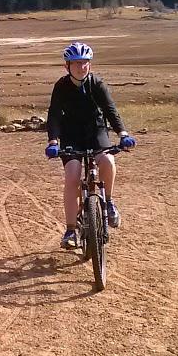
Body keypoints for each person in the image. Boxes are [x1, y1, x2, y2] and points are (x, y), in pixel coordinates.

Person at [45, 42, 136, 249]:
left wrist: (123, 134)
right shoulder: (61, 86)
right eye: (77, 63)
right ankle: (70, 230)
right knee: (73, 175)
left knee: (108, 161)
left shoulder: (97, 84)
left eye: (85, 62)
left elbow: (111, 110)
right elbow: (54, 116)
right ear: (66, 66)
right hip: (71, 135)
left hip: (96, 131)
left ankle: (109, 202)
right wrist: (53, 141)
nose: (81, 67)